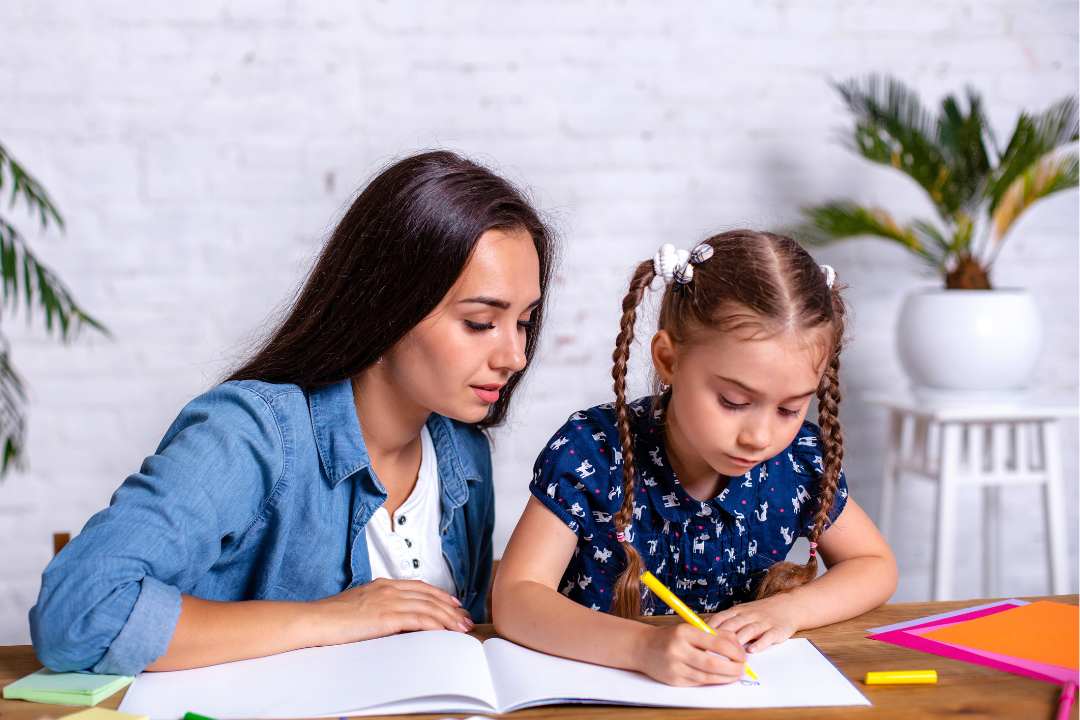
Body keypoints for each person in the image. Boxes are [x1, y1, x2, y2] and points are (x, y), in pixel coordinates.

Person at [30, 150, 556, 675]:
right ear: (387, 308)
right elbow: (78, 612)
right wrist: (328, 619)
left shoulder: (464, 454)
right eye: (481, 322)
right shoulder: (252, 435)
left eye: (524, 323)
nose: (515, 356)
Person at [493, 231, 896, 686]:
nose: (760, 436)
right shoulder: (592, 450)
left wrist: (787, 610)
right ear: (668, 359)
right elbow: (516, 597)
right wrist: (642, 646)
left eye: (789, 409)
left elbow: (874, 565)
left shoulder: (797, 465)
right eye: (732, 400)